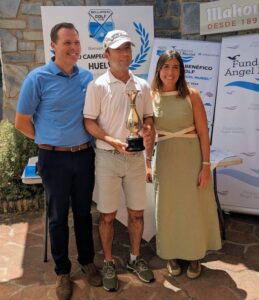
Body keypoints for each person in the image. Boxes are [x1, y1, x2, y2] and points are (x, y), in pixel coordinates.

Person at [15, 22, 102, 300]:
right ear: (53, 45)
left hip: (84, 155)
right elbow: (21, 122)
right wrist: (46, 141)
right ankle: (63, 272)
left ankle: (87, 261)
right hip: (53, 159)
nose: (74, 48)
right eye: (67, 43)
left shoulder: (87, 78)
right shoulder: (37, 78)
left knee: (84, 214)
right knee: (57, 218)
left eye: (76, 42)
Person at [83, 29, 156, 292]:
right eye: (119, 49)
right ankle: (110, 262)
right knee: (108, 215)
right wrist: (112, 140)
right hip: (107, 157)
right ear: (106, 54)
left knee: (137, 213)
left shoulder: (142, 85)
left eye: (128, 48)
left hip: (135, 159)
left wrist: (147, 129)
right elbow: (88, 122)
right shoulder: (97, 86)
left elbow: (148, 118)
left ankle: (136, 258)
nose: (125, 54)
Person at [151, 50, 221, 279]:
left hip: (190, 158)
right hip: (165, 158)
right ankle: (171, 255)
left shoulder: (192, 95)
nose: (170, 72)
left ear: (181, 71)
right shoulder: (151, 96)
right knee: (168, 208)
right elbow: (148, 133)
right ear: (159, 70)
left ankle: (194, 256)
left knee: (192, 208)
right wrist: (145, 163)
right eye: (166, 67)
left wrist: (205, 165)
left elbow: (202, 132)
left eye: (175, 67)